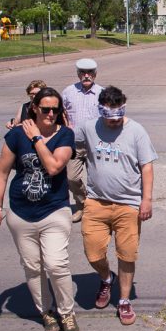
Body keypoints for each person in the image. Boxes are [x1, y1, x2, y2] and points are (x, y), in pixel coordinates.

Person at [0, 87, 80, 331]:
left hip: (54, 210)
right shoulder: (17, 135)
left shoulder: (65, 135)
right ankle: (46, 311)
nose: (51, 113)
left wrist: (38, 138)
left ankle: (67, 313)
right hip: (20, 212)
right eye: (46, 109)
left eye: (55, 109)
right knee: (32, 266)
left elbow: (53, 167)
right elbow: (2, 171)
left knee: (56, 263)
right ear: (35, 108)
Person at [77, 86, 157, 326]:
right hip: (96, 202)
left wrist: (147, 199)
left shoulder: (136, 131)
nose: (113, 122)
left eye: (117, 117)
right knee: (93, 252)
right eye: (108, 117)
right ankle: (105, 278)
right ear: (101, 111)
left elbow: (147, 167)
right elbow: (65, 141)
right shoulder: (88, 128)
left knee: (127, 255)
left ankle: (123, 300)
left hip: (129, 205)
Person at [62, 58, 103, 222]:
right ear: (78, 74)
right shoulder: (68, 92)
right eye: (83, 73)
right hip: (74, 144)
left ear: (95, 74)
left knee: (99, 179)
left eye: (90, 73)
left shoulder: (102, 93)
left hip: (96, 143)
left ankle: (97, 209)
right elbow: (61, 113)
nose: (87, 76)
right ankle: (82, 205)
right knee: (71, 177)